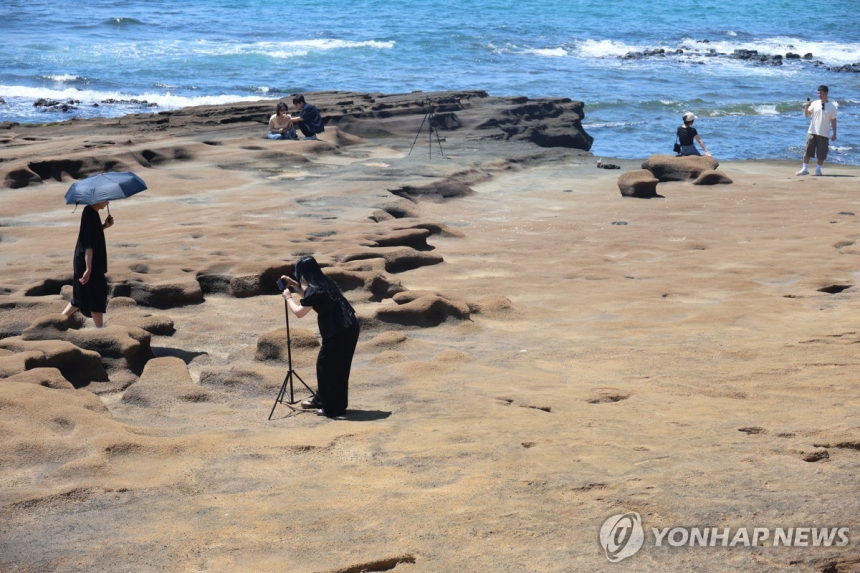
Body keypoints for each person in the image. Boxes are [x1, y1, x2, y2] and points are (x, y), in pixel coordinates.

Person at [281, 256, 359, 417]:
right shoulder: (323, 283)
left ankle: (332, 408)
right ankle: (321, 399)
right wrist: (293, 284)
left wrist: (288, 297)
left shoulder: (317, 288)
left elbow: (299, 313)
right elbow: (309, 296)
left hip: (341, 331)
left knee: (330, 367)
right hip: (345, 327)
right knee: (331, 367)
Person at [62, 201, 114, 328]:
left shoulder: (91, 212)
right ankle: (100, 330)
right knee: (96, 295)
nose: (108, 202)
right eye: (105, 199)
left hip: (84, 260)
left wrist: (104, 226)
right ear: (96, 199)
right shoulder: (90, 215)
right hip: (88, 262)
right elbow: (89, 246)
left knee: (80, 297)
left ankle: (57, 321)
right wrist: (88, 269)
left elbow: (91, 234)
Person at [797, 85, 838, 176]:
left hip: (824, 133)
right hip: (812, 131)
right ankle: (805, 168)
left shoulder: (832, 107)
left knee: (821, 153)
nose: (819, 95)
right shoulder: (815, 103)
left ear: (826, 93)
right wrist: (806, 107)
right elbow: (807, 115)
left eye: (821, 93)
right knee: (807, 150)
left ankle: (818, 169)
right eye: (818, 93)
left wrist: (835, 133)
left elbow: (834, 121)